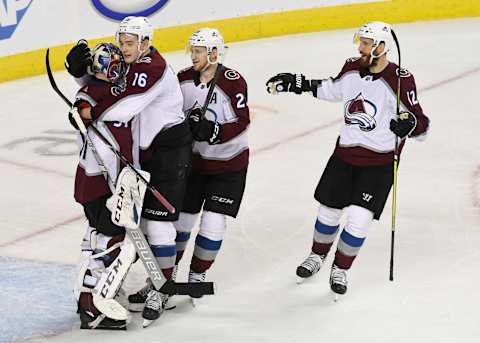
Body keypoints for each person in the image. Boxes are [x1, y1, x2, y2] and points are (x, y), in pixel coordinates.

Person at [266, 21, 430, 296]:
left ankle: (341, 267)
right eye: (361, 42)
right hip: (344, 155)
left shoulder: (400, 79)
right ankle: (317, 256)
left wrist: (410, 126)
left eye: (366, 43)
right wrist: (299, 84)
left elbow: (421, 123)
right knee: (327, 212)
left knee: (358, 219)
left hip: (378, 163)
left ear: (381, 47)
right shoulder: (352, 66)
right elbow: (333, 89)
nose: (360, 47)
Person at [65, 16, 192, 327]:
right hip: (117, 169)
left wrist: (85, 105)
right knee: (110, 236)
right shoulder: (125, 68)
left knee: (152, 225)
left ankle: (159, 289)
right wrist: (82, 78)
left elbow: (121, 103)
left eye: (130, 43)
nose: (123, 49)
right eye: (121, 42)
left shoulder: (152, 67)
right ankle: (93, 299)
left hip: (166, 154)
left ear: (145, 43)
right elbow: (107, 91)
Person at [128, 27, 250, 307]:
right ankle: (162, 280)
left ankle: (197, 275)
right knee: (180, 224)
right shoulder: (181, 79)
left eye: (198, 51)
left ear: (214, 53)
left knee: (213, 222)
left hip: (228, 167)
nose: (192, 55)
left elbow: (242, 121)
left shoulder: (232, 82)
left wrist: (215, 129)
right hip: (192, 165)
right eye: (191, 50)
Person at [69, 42, 138, 330]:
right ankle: (92, 307)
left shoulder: (108, 90)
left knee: (96, 239)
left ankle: (84, 297)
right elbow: (81, 108)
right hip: (99, 184)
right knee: (111, 241)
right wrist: (82, 115)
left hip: (98, 182)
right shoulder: (92, 93)